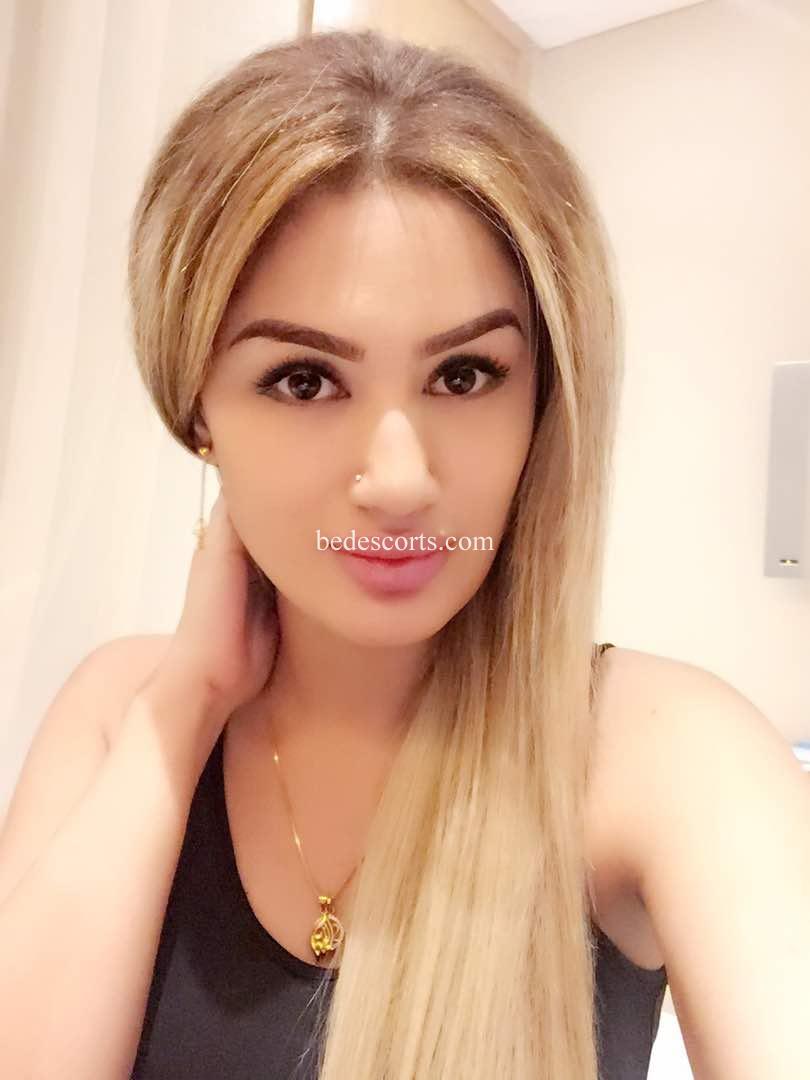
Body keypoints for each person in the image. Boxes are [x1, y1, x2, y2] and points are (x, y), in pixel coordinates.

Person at [0, 27, 673, 1080]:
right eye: (304, 380)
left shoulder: (652, 752)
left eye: (463, 375)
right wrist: (186, 705)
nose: (399, 481)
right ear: (199, 414)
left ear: (543, 399)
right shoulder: (114, 713)